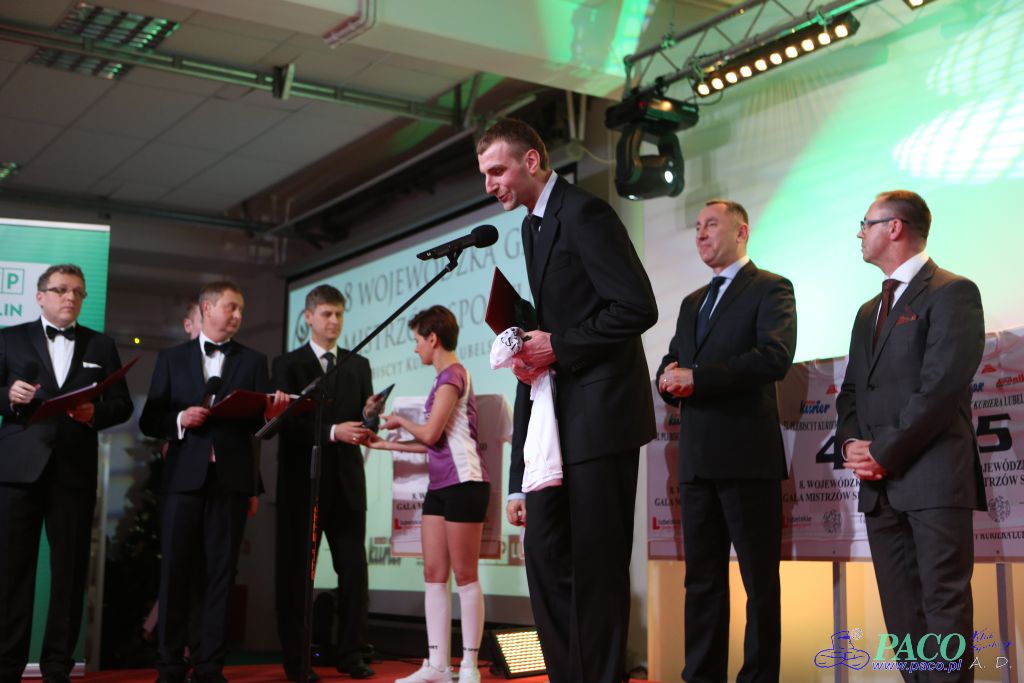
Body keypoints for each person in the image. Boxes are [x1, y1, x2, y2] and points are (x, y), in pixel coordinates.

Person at [476, 119, 658, 683]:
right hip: (559, 416)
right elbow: (569, 313)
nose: (489, 185)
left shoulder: (585, 214)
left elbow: (637, 307)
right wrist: (524, 337)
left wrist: (558, 344)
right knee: (545, 555)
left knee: (597, 568)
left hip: (603, 416)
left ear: (531, 161)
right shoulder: (532, 226)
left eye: (497, 170)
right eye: (485, 174)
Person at [836, 191, 984, 682]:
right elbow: (853, 391)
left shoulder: (952, 292)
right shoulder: (867, 311)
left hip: (933, 482)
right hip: (879, 490)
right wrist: (851, 445)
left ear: (894, 227)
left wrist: (884, 451)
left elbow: (940, 388)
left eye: (866, 223)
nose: (860, 233)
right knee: (903, 620)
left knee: (943, 612)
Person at [655, 199, 796, 683]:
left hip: (746, 458)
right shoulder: (692, 302)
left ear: (742, 231)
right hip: (696, 461)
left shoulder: (771, 287)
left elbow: (773, 358)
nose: (700, 234)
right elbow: (674, 359)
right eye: (696, 226)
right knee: (702, 582)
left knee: (759, 583)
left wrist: (697, 379)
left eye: (711, 224)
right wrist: (666, 378)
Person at [140, 280, 280, 683]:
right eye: (231, 307)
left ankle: (209, 666)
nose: (237, 315)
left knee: (221, 575)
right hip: (182, 480)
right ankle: (169, 664)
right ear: (207, 308)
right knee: (175, 571)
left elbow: (259, 428)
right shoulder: (172, 358)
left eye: (241, 310)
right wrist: (180, 419)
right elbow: (150, 419)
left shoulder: (254, 361)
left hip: (230, 481)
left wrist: (272, 414)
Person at [0, 263, 134, 683]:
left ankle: (58, 668)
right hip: (18, 471)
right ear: (40, 296)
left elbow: (123, 405)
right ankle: (6, 667)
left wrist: (96, 413)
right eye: (60, 290)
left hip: (74, 472)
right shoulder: (9, 338)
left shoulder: (101, 345)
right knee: (11, 573)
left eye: (78, 291)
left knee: (70, 574)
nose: (70, 297)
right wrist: (7, 395)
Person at [365, 306, 489, 683]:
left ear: (432, 338)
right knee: (434, 573)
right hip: (440, 485)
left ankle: (468, 666)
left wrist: (401, 421)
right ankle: (438, 665)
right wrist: (384, 444)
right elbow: (434, 444)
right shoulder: (441, 379)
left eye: (417, 340)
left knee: (465, 575)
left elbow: (431, 433)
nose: (415, 347)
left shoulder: (452, 375)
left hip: (465, 482)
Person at [272, 284, 378, 681]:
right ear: (308, 317)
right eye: (326, 314)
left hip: (348, 484)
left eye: (339, 315)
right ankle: (298, 662)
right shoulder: (288, 365)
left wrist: (370, 416)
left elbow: (366, 426)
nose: (334, 322)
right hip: (304, 484)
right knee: (297, 576)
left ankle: (352, 654)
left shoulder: (358, 364)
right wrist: (333, 432)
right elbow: (285, 425)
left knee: (354, 573)